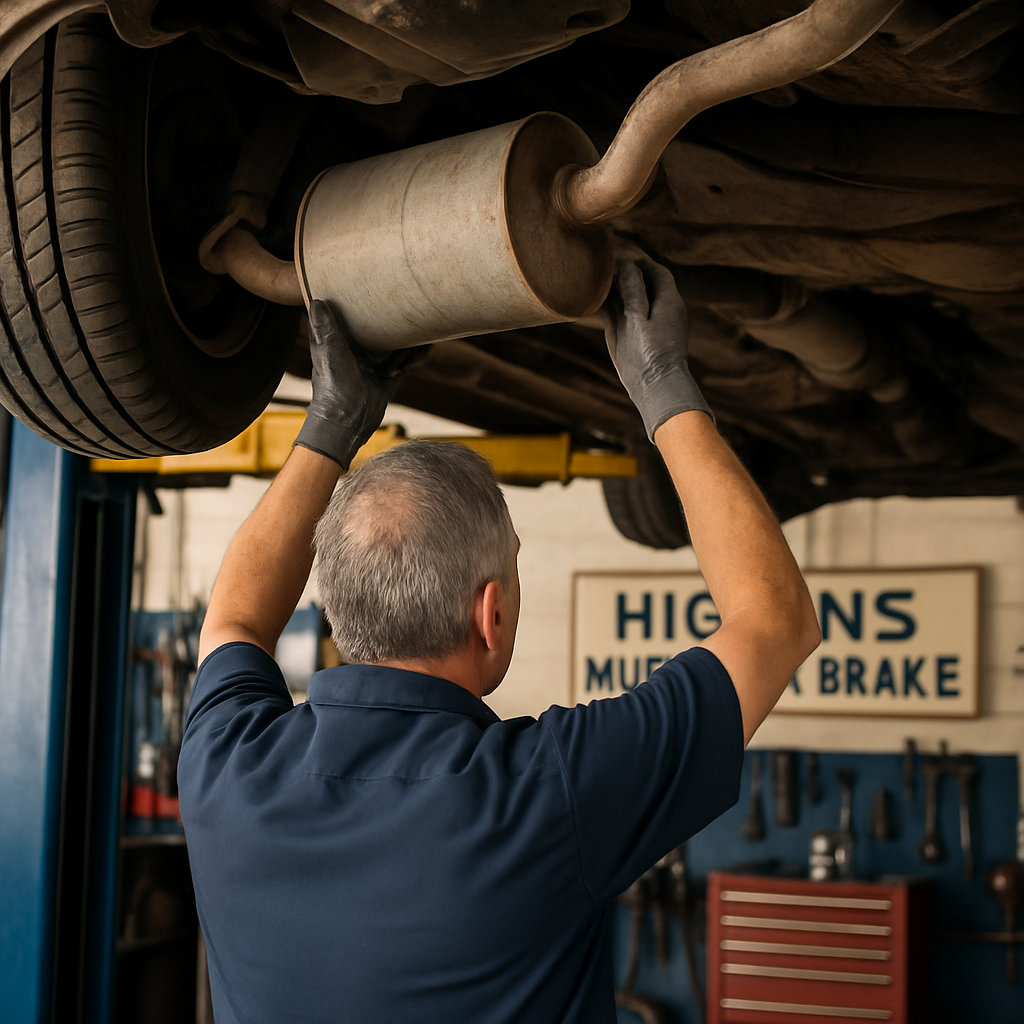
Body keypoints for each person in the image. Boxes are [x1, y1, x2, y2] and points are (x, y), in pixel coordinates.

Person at [177, 256, 820, 1024]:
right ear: (494, 615)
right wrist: (662, 382)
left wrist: (331, 424)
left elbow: (236, 617)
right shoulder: (547, 796)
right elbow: (775, 621)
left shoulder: (227, 767)